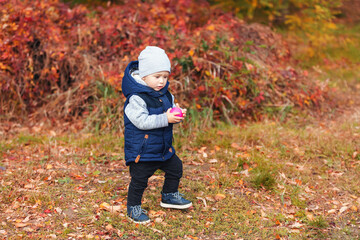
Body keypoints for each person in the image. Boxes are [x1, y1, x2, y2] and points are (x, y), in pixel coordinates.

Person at [121, 46, 192, 224]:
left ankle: (168, 195)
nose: (162, 81)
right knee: (139, 180)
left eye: (165, 77)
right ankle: (133, 207)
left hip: (162, 147)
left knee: (176, 167)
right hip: (142, 150)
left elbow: (169, 112)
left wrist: (176, 114)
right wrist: (166, 118)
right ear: (144, 76)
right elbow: (141, 122)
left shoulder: (165, 93)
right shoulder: (136, 98)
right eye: (157, 77)